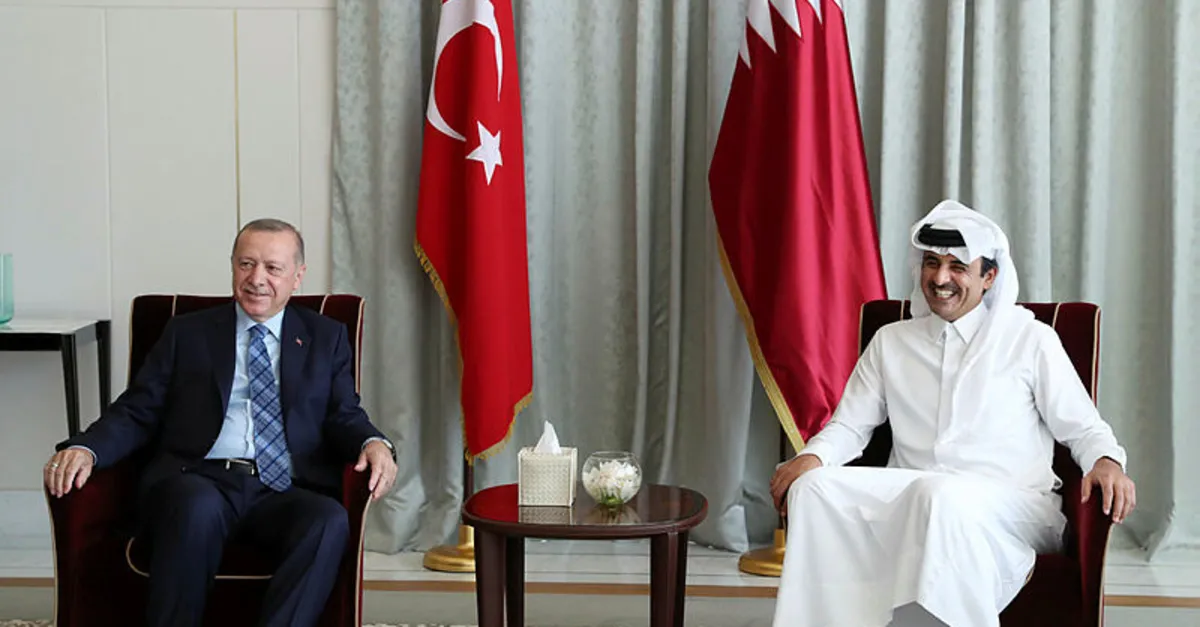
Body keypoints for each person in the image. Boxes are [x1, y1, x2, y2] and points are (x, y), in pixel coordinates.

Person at [768, 200, 1137, 627]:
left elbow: (1083, 427)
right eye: (932, 263)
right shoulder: (891, 341)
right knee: (814, 488)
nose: (940, 278)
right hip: (911, 497)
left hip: (1015, 505)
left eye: (958, 267)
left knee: (940, 495)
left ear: (989, 278)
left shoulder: (1030, 339)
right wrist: (812, 457)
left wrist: (1107, 461)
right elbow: (850, 425)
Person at [42, 218, 398, 627]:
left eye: (273, 267)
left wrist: (374, 443)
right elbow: (137, 410)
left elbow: (343, 413)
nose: (256, 279)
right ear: (232, 265)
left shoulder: (325, 336)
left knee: (328, 520)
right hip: (199, 478)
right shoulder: (186, 333)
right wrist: (86, 448)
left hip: (284, 487)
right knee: (196, 506)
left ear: (298, 276)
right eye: (246, 264)